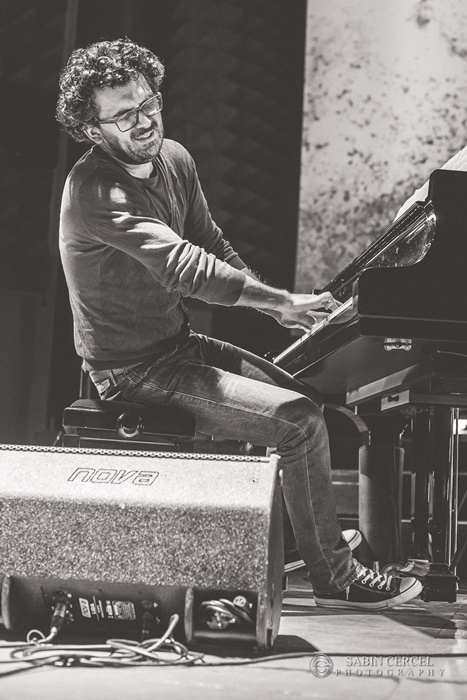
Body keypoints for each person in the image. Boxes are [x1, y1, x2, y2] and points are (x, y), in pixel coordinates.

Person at [56, 37, 422, 610]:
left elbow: (211, 243)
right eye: (124, 115)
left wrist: (273, 305)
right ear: (90, 128)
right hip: (132, 371)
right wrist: (279, 301)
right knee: (300, 423)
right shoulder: (95, 191)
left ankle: (294, 542)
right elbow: (185, 266)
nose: (145, 120)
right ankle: (335, 578)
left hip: (176, 346)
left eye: (148, 102)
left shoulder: (175, 159)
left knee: (304, 400)